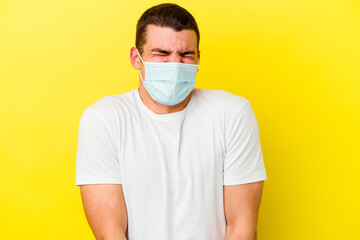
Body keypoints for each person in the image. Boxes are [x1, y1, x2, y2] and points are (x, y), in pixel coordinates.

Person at [76, 3, 267, 240]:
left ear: (198, 59)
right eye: (162, 54)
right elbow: (110, 233)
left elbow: (242, 227)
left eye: (186, 55)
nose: (174, 64)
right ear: (137, 58)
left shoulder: (232, 113)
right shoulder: (103, 119)